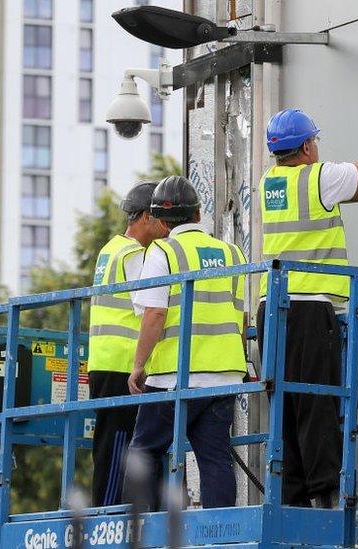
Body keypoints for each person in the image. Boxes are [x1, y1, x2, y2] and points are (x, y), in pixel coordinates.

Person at [256, 108, 358, 508]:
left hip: (271, 310)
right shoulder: (319, 175)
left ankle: (290, 499)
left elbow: (342, 190)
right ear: (308, 145)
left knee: (286, 405)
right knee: (316, 401)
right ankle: (325, 494)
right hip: (309, 308)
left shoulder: (270, 182)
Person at [127, 175, 249, 510]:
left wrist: (139, 366)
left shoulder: (163, 251)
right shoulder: (232, 252)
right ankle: (220, 534)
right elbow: (242, 319)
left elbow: (154, 314)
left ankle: (147, 531)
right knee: (214, 458)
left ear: (161, 222)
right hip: (223, 375)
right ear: (198, 214)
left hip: (174, 377)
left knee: (144, 452)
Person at [86, 181, 167, 507]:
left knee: (111, 442)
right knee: (119, 444)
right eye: (162, 220)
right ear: (146, 216)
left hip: (104, 363)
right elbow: (147, 307)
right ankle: (107, 519)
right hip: (123, 365)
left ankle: (109, 514)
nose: (166, 229)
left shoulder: (110, 249)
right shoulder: (135, 255)